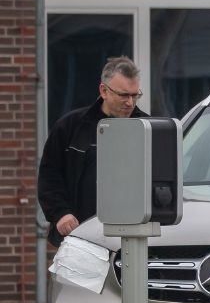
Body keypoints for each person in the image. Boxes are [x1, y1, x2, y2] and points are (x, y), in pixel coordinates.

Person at [38, 56, 148, 246]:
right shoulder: (70, 127)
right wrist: (61, 213)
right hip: (79, 234)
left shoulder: (149, 128)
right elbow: (50, 175)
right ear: (103, 91)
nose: (130, 103)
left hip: (133, 236)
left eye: (135, 95)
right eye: (123, 95)